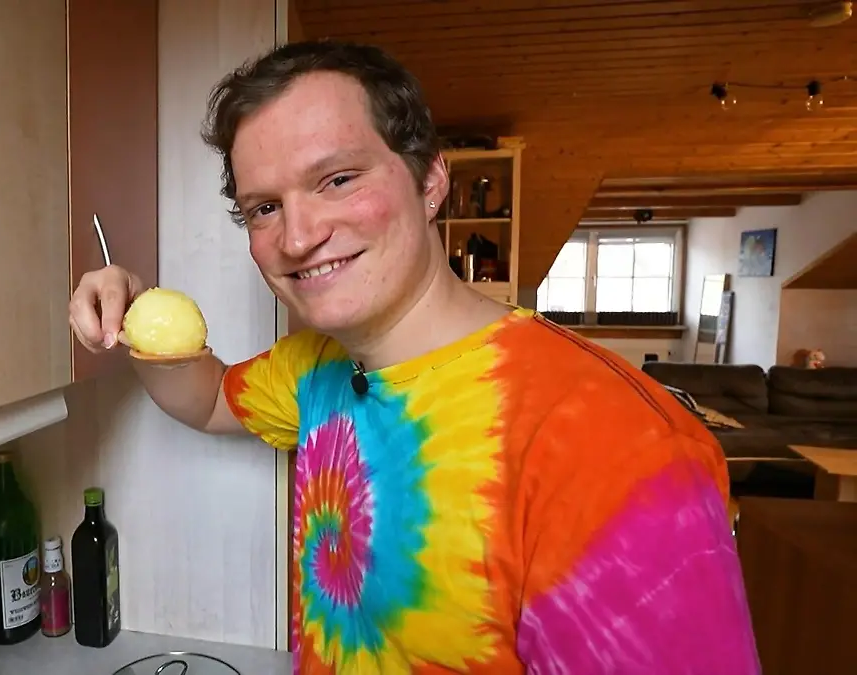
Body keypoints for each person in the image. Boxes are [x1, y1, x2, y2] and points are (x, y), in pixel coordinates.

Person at [69, 40, 760, 675]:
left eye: (337, 179)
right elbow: (211, 396)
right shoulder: (316, 366)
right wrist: (134, 318)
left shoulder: (619, 447)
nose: (299, 236)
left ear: (431, 181)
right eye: (264, 208)